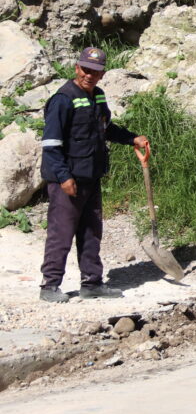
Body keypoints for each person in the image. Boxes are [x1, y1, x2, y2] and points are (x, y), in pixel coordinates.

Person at [39, 47, 149, 303]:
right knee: (61, 233)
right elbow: (51, 145)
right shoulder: (62, 99)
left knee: (91, 232)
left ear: (102, 74)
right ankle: (49, 286)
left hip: (92, 177)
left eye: (95, 72)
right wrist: (64, 177)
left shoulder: (98, 97)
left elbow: (106, 128)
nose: (89, 75)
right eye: (85, 69)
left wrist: (132, 138)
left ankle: (92, 283)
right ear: (77, 68)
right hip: (68, 180)